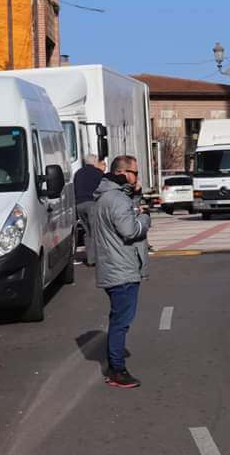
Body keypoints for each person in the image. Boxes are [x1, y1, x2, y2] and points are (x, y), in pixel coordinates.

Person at [91, 155, 150, 389]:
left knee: (118, 318)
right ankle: (117, 369)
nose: (137, 178)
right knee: (121, 322)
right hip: (121, 270)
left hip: (114, 266)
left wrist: (135, 197)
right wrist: (145, 219)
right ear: (124, 173)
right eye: (135, 173)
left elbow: (126, 213)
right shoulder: (116, 199)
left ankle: (114, 367)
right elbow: (129, 229)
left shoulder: (110, 196)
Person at [74, 155, 106, 266]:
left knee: (87, 232)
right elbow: (103, 189)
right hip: (92, 204)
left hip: (79, 205)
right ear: (95, 162)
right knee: (95, 231)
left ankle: (90, 258)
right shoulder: (98, 173)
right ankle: (96, 259)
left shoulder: (78, 173)